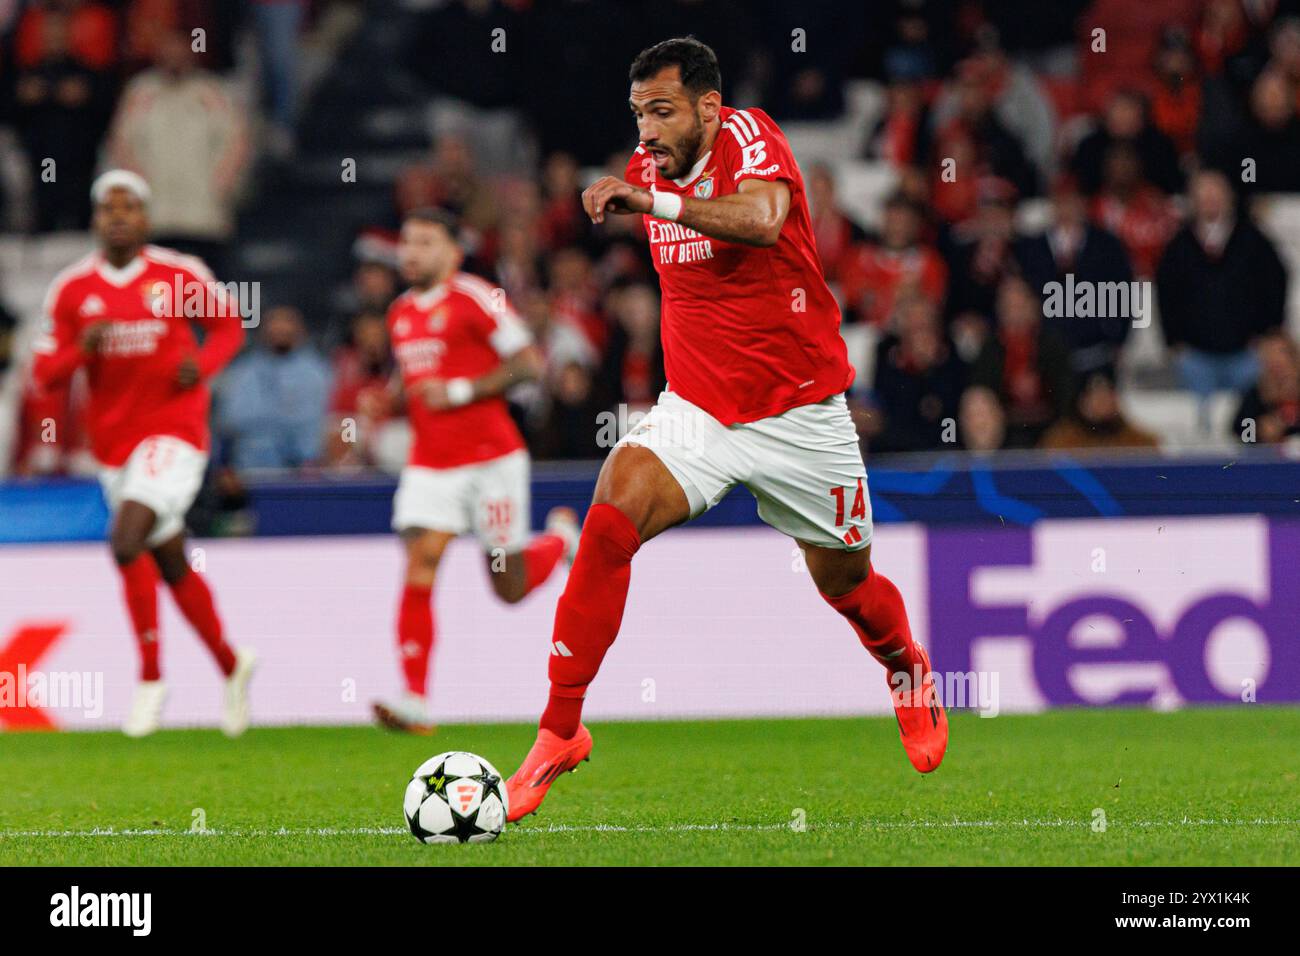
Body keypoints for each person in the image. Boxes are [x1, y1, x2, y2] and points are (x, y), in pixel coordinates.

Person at [502, 38, 949, 822]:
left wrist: (657, 204)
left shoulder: (750, 137)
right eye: (639, 113)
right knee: (611, 513)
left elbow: (765, 220)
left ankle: (904, 666)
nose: (647, 132)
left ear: (709, 108)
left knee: (843, 582)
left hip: (802, 414)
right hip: (700, 411)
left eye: (663, 111)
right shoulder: (649, 171)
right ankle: (559, 731)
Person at [28, 170, 254, 737]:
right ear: (95, 218)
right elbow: (44, 376)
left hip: (175, 434)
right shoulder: (73, 290)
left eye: (129, 207)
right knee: (167, 559)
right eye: (109, 207)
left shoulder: (178, 274)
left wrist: (199, 367)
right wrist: (81, 350)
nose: (119, 215)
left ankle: (151, 681)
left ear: (146, 219)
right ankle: (232, 664)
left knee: (125, 539)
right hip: (114, 446)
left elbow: (229, 327)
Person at [370, 208, 579, 734]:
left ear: (452, 252)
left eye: (424, 242)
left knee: (506, 588)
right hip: (431, 464)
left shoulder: (476, 297)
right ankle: (414, 697)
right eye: (406, 241)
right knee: (423, 559)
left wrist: (461, 391)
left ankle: (557, 540)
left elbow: (530, 364)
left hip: (491, 460)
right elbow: (422, 378)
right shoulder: (399, 313)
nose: (410, 252)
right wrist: (390, 400)